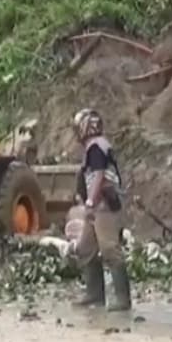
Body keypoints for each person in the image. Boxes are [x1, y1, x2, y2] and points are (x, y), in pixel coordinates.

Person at [71, 108, 132, 312]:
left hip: (103, 205)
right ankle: (94, 295)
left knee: (109, 249)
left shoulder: (97, 147)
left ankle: (123, 300)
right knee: (85, 248)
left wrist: (90, 202)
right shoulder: (96, 147)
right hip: (97, 206)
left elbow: (99, 176)